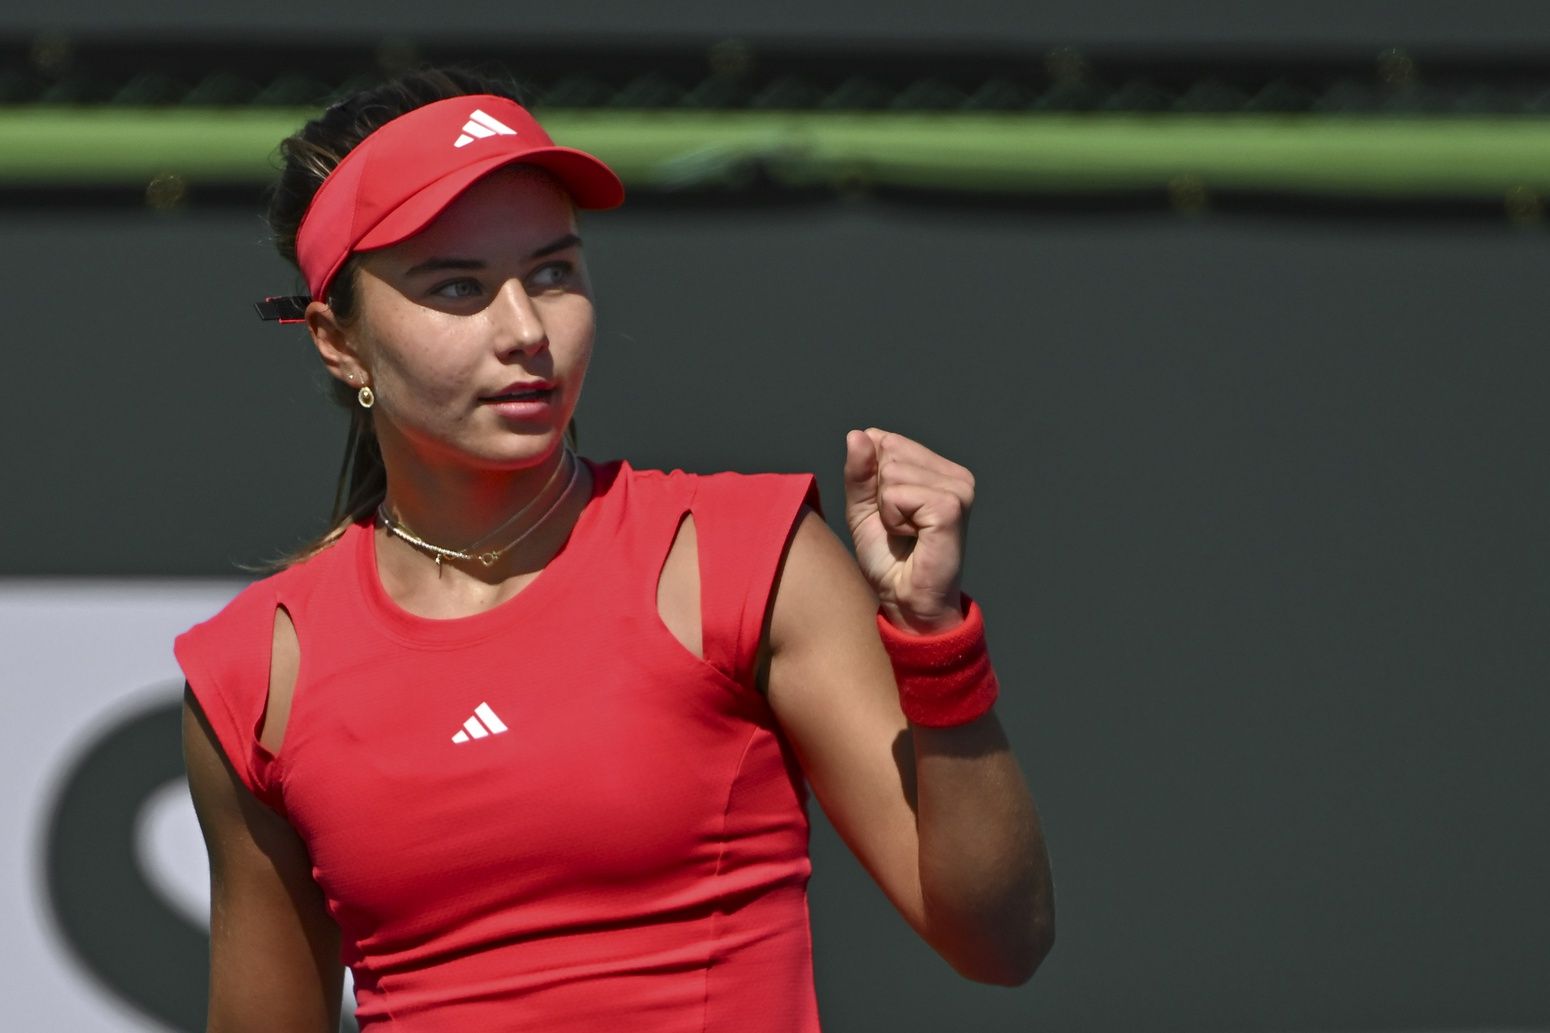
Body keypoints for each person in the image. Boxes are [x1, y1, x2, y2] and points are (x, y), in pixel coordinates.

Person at [177, 67, 1053, 1032]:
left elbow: (1000, 940)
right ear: (338, 342)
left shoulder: (744, 559)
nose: (526, 332)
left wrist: (934, 638)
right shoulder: (255, 674)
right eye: (459, 286)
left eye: (552, 272)